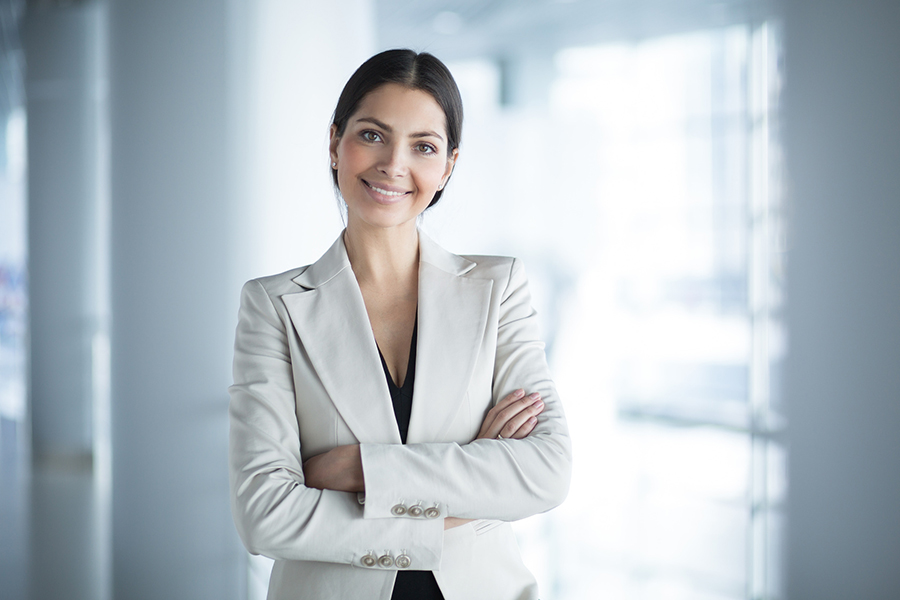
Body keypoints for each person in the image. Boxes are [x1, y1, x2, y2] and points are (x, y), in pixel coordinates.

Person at [228, 49, 572, 600]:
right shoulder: (275, 305)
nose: (393, 164)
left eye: (424, 147)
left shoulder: (498, 288)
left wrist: (360, 471)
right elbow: (265, 515)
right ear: (335, 142)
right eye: (371, 135)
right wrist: (469, 479)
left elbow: (545, 471)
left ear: (449, 165)